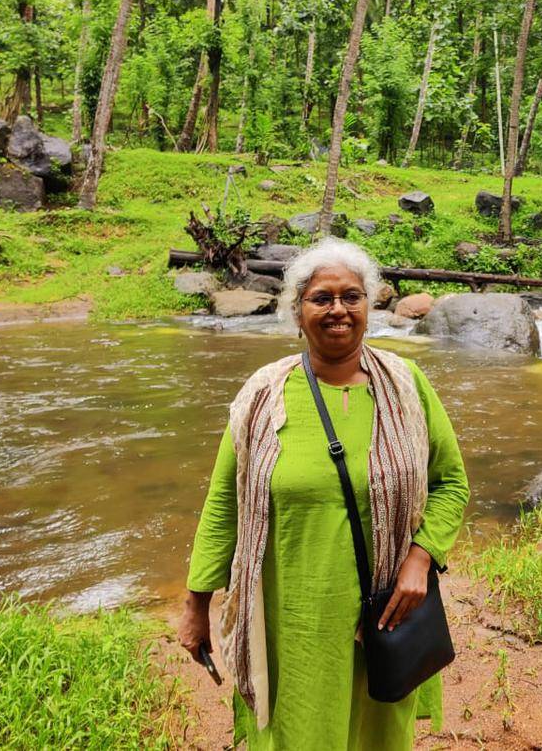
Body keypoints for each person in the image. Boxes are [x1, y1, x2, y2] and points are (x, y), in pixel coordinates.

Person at [178, 237, 469, 750]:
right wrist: (196, 605)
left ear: (369, 304)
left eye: (351, 296)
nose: (338, 310)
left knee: (377, 731)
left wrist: (421, 560)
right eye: (322, 298)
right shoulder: (262, 397)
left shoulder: (406, 386)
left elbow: (450, 482)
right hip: (292, 619)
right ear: (297, 311)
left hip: (386, 610)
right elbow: (224, 505)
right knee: (298, 729)